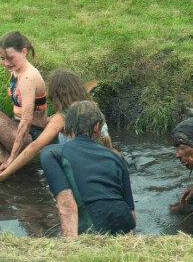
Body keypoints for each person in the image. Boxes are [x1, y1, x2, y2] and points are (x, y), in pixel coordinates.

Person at [40, 101, 135, 237]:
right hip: (124, 224)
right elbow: (131, 211)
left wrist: (70, 247)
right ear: (97, 127)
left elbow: (66, 203)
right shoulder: (117, 157)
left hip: (93, 228)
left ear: (67, 126)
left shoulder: (51, 153)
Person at [0, 69, 114, 180]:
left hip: (81, 171)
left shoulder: (62, 118)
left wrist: (5, 174)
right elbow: (107, 143)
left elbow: (34, 147)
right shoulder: (93, 108)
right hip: (104, 163)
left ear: (57, 95)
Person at [0, 31, 47, 168]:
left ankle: (9, 160)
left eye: (10, 58)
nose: (6, 63)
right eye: (2, 58)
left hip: (32, 137)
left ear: (24, 52)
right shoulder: (16, 70)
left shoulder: (28, 77)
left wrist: (13, 158)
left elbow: (26, 122)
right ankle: (4, 158)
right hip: (16, 128)